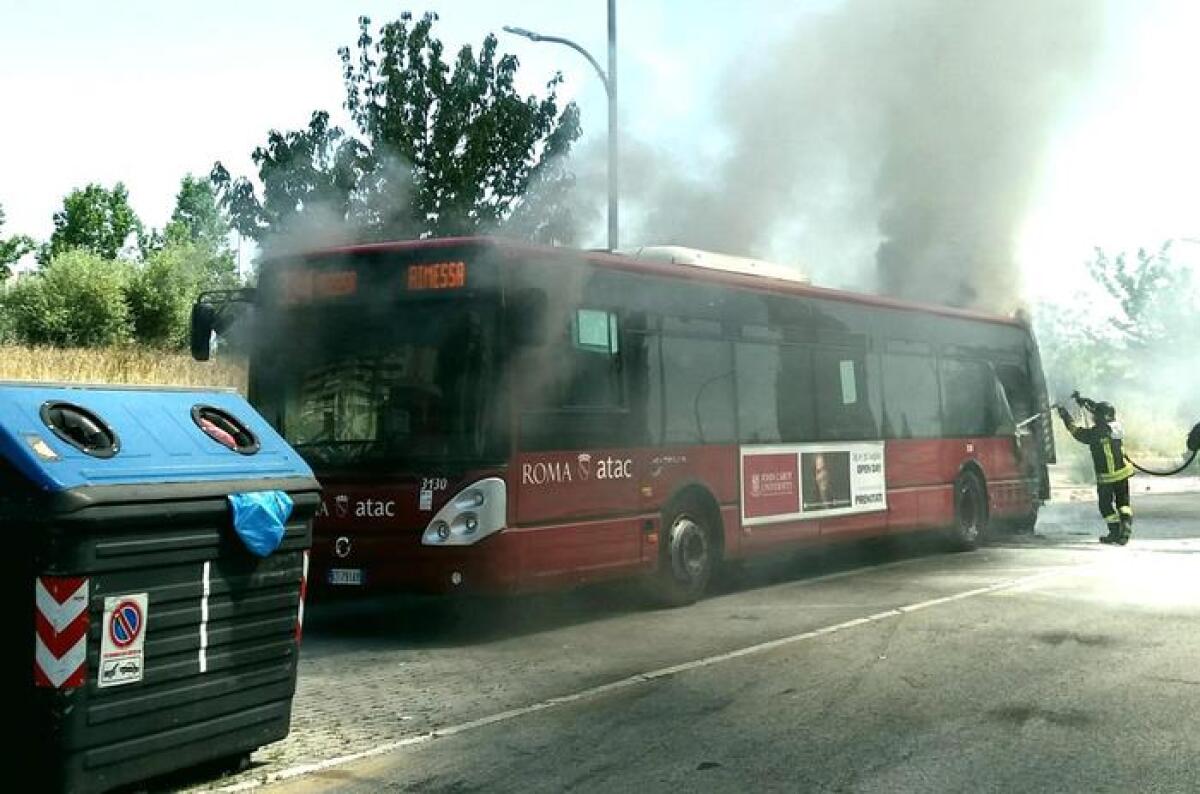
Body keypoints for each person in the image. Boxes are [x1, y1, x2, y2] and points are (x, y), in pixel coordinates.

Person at [1057, 394, 1134, 544]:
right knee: (1123, 504)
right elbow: (1101, 412)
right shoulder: (1117, 427)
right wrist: (1085, 402)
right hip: (1123, 474)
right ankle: (1126, 524)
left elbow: (1075, 431)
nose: (1093, 417)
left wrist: (1065, 415)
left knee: (1105, 506)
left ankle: (1114, 532)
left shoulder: (1093, 434)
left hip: (1106, 478)